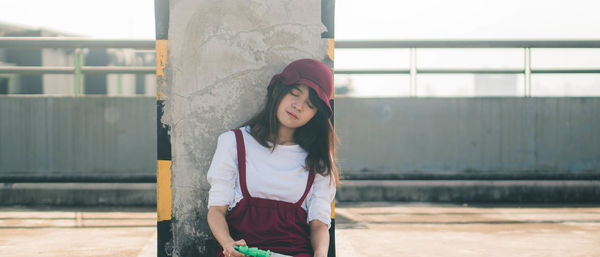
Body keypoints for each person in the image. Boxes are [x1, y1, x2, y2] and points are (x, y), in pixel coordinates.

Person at [206, 58, 339, 257]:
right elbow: (216, 211)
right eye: (294, 94)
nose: (298, 106)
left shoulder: (318, 158)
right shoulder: (234, 142)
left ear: (316, 114)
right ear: (278, 90)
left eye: (310, 104)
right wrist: (228, 244)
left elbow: (319, 224)